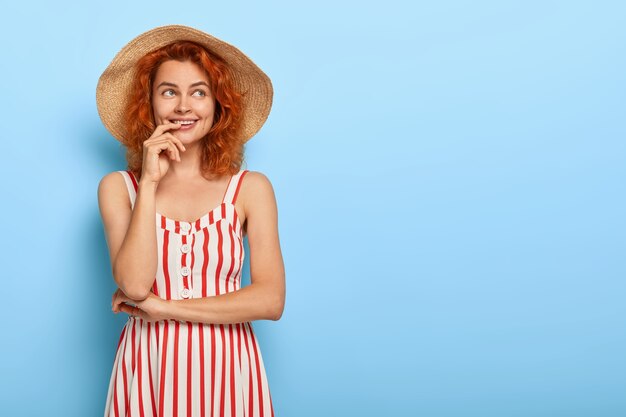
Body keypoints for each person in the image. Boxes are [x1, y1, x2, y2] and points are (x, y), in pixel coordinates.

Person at [96, 25, 285, 417]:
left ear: (217, 105)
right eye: (169, 91)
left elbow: (270, 300)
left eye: (198, 92)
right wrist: (148, 182)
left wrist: (166, 308)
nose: (184, 106)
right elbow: (133, 283)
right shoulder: (120, 188)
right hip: (147, 368)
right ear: (149, 103)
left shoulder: (250, 189)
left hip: (229, 371)